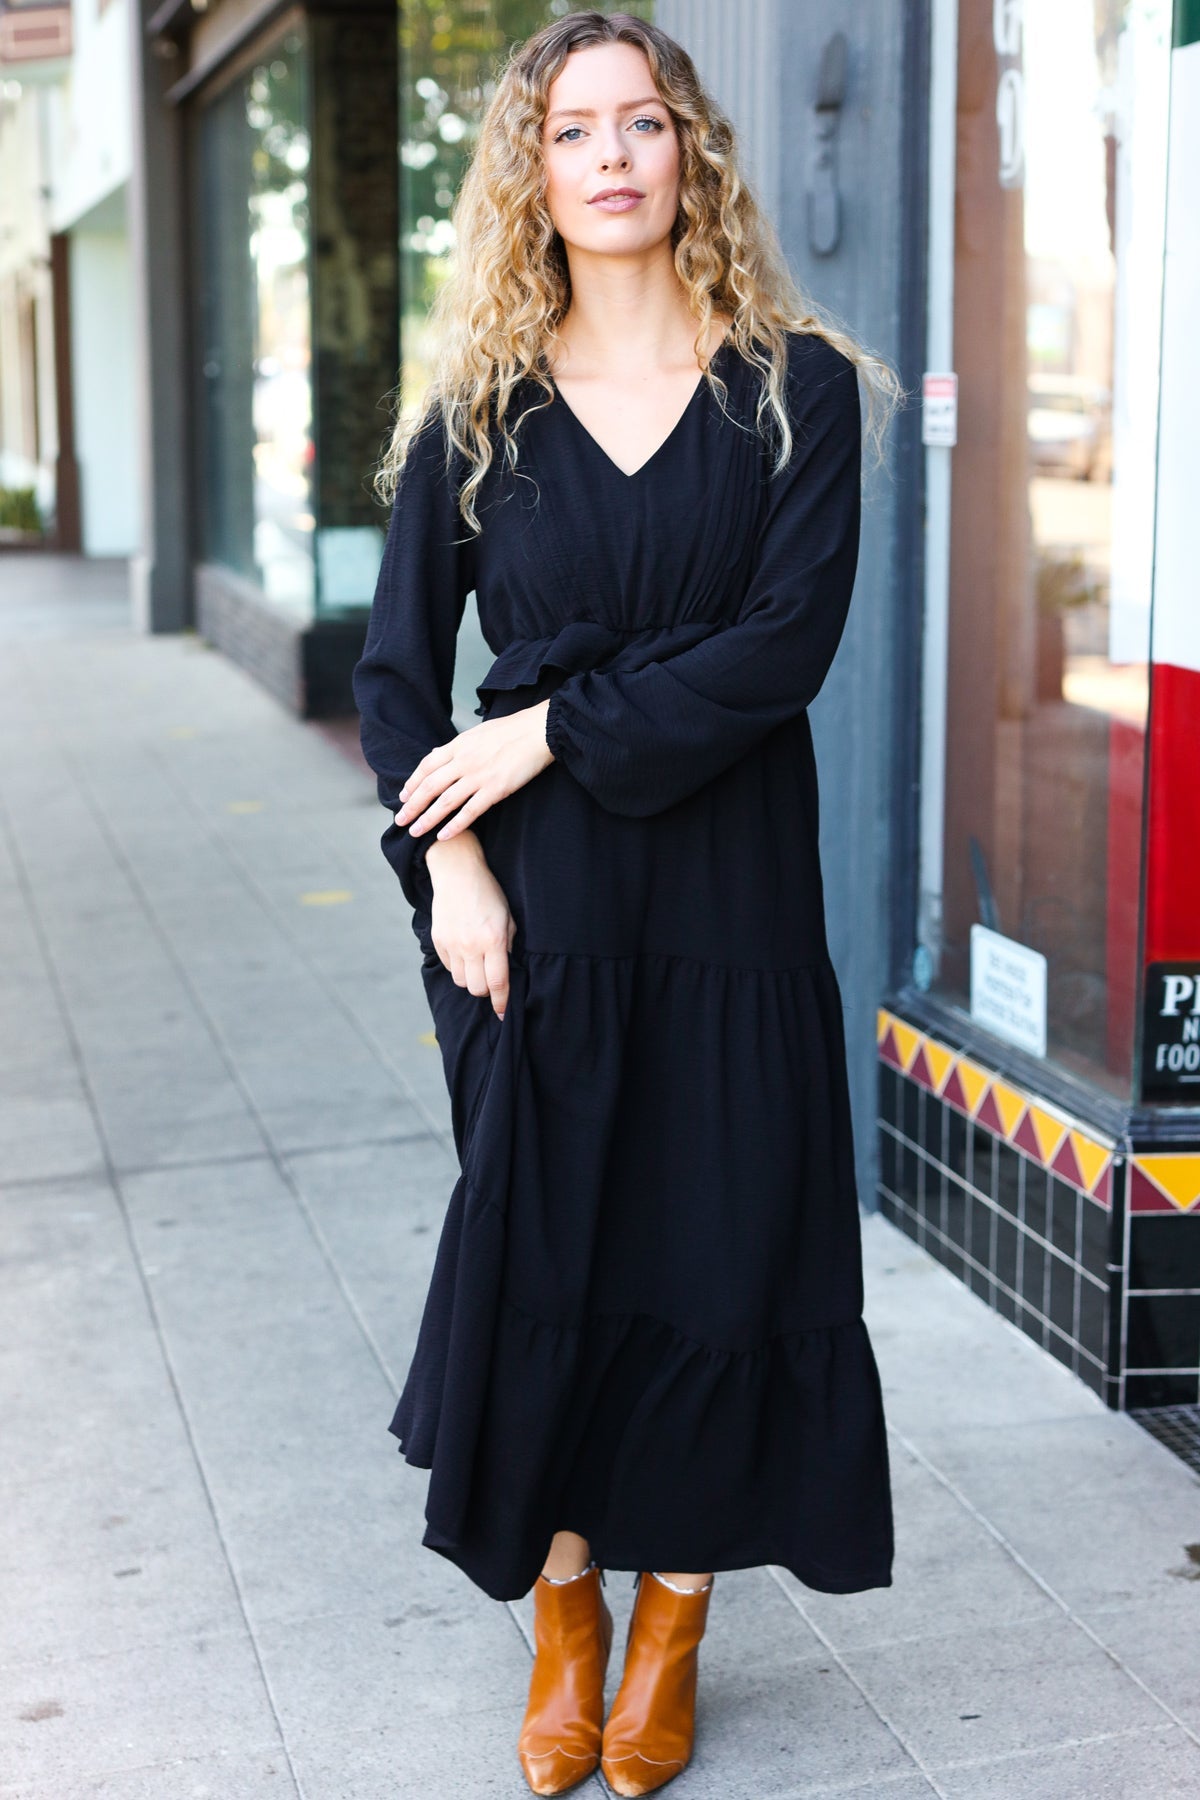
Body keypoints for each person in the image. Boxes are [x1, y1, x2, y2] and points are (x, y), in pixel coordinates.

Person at [353, 11, 899, 1795]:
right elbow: (392, 681)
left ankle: (674, 1617)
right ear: (533, 170)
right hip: (538, 914)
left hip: (733, 902)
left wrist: (543, 732)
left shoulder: (796, 389)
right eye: (573, 128)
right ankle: (567, 1614)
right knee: (552, 1250)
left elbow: (778, 653)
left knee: (722, 1247)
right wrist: (450, 862)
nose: (610, 155)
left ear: (690, 154)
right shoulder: (480, 411)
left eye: (642, 122)